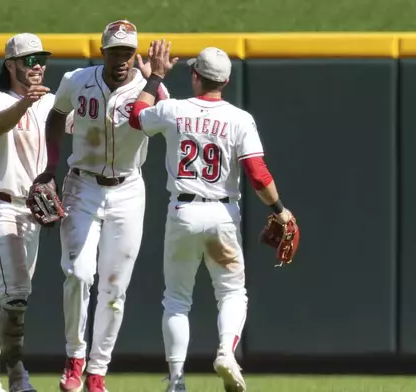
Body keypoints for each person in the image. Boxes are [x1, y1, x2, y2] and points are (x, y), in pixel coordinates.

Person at [128, 40, 296, 392]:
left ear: (195, 76)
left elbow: (137, 117)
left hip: (183, 212)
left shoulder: (173, 110)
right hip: (222, 213)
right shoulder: (239, 118)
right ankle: (226, 353)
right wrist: (279, 210)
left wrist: (153, 79)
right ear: (225, 81)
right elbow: (257, 173)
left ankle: (176, 381)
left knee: (176, 299)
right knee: (232, 293)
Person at [31, 20, 168, 392]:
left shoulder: (149, 88)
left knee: (114, 287)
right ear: (102, 52)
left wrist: (154, 81)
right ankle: (75, 356)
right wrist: (50, 167)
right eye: (115, 51)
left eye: (127, 51)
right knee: (77, 273)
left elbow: (162, 123)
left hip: (128, 190)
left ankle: (97, 372)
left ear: (135, 53)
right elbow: (57, 114)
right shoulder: (77, 80)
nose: (121, 59)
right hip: (82, 185)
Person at [0, 32, 57, 392]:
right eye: (30, 60)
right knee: (15, 293)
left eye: (41, 59)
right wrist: (25, 104)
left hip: (32, 210)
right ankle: (18, 375)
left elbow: (76, 128)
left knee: (10, 296)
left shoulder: (49, 103)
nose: (38, 66)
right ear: (11, 65)